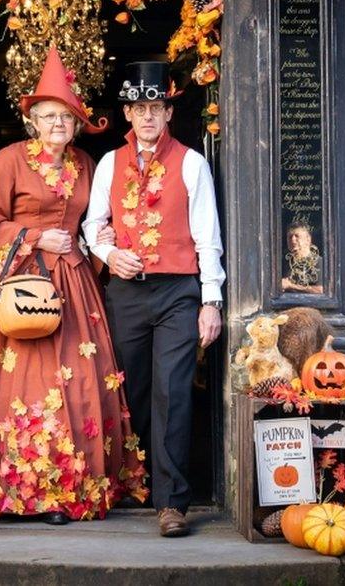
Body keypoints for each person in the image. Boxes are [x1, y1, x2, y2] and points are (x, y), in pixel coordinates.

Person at [0, 48, 148, 524]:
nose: (59, 124)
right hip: (16, 276)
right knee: (20, 378)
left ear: (78, 124)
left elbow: (102, 219)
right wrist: (34, 236)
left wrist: (106, 247)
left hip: (72, 280)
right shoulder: (9, 160)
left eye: (67, 117)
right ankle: (11, 489)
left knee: (74, 382)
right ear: (33, 120)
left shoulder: (86, 164)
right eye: (50, 116)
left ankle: (63, 491)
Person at [83, 61, 225, 537]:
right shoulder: (108, 164)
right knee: (133, 389)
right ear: (127, 113)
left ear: (167, 113)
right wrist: (108, 252)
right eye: (139, 108)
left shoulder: (191, 162)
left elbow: (208, 237)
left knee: (174, 392)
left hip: (178, 293)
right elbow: (91, 224)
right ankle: (134, 481)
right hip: (126, 291)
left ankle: (172, 502)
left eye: (156, 107)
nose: (147, 116)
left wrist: (211, 301)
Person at [281, 221, 324, 294]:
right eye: (290, 237)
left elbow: (320, 290)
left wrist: (291, 286)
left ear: (308, 239)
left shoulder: (318, 262)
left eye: (297, 236)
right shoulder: (284, 263)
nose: (293, 240)